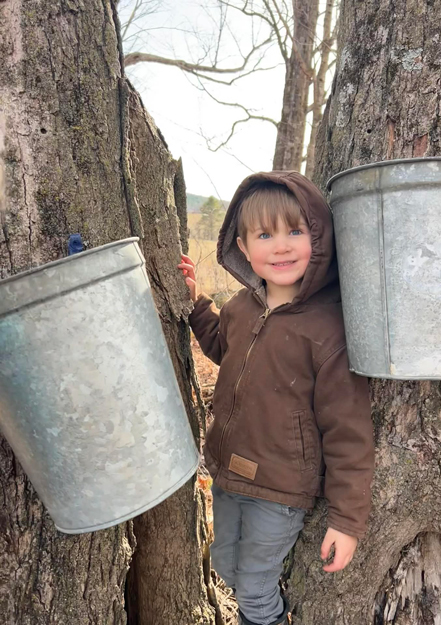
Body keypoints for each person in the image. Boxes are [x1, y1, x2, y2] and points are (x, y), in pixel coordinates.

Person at [178, 171, 374, 625]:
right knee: (226, 567)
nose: (281, 246)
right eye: (265, 234)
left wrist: (346, 521)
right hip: (227, 471)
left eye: (295, 231)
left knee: (255, 586)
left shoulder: (327, 330)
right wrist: (195, 304)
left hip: (282, 487)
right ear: (243, 247)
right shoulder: (241, 308)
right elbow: (224, 350)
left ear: (318, 238)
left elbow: (348, 432)